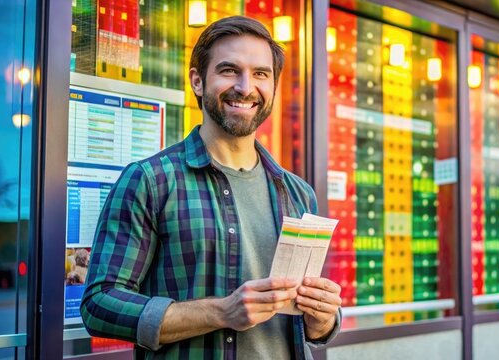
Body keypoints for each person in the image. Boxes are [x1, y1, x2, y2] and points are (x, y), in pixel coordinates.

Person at [81, 16, 342, 359]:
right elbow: (100, 305)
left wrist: (322, 319)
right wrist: (222, 311)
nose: (246, 87)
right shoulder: (151, 180)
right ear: (198, 82)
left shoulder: (297, 193)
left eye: (261, 74)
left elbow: (307, 321)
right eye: (230, 70)